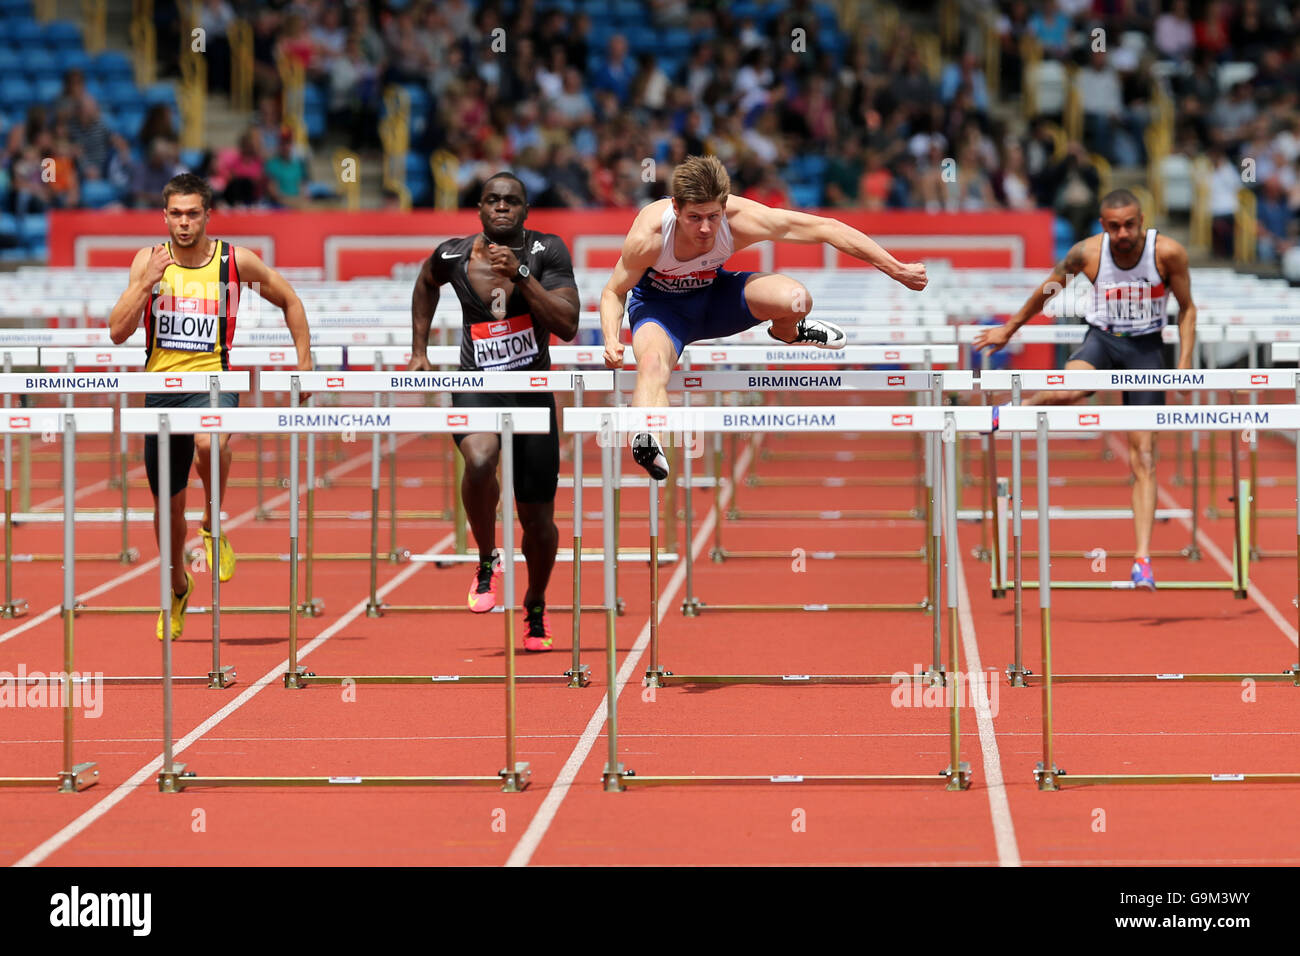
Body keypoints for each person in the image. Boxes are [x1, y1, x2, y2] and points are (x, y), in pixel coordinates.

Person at [599, 153, 929, 480]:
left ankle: (788, 331)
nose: (704, 228)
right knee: (653, 365)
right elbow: (614, 291)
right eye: (694, 218)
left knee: (797, 298)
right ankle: (647, 438)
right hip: (662, 311)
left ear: (725, 208)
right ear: (675, 208)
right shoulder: (649, 237)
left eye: (713, 217)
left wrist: (895, 269)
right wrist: (612, 339)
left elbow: (826, 228)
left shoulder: (742, 220)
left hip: (714, 299)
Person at [107, 173, 312, 639]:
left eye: (192, 214)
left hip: (214, 381)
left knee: (210, 439)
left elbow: (289, 299)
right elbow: (117, 331)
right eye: (175, 214)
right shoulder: (148, 260)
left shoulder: (234, 261)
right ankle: (178, 586)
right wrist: (146, 284)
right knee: (165, 513)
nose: (184, 223)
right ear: (164, 216)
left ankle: (211, 518)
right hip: (161, 388)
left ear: (207, 215)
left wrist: (305, 362)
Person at [974, 188, 1197, 591]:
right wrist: (1009, 328)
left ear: (1142, 221)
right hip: (1103, 339)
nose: (1123, 233)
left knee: (1143, 455)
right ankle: (1015, 407)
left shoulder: (1168, 254)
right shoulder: (1087, 254)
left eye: (1130, 224)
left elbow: (1187, 308)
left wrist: (1183, 365)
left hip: (1147, 349)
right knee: (1066, 392)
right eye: (1114, 226)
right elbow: (1048, 290)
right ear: (1103, 226)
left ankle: (1142, 559)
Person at [408, 173, 579, 652]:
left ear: (525, 210)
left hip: (532, 390)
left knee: (538, 519)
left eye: (512, 202)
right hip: (476, 385)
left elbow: (567, 325)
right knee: (479, 459)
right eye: (493, 201)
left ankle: (537, 603)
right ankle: (487, 558)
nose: (502, 208)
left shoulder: (549, 251)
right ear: (480, 208)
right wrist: (419, 349)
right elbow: (425, 283)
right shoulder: (453, 255)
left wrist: (522, 275)